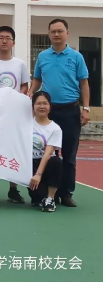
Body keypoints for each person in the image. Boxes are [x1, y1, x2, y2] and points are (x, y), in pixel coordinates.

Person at [28, 19, 90, 208]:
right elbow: (37, 80)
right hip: (49, 112)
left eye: (60, 31)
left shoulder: (76, 57)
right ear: (49, 34)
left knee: (69, 155)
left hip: (71, 111)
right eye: (53, 31)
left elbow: (84, 83)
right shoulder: (43, 56)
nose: (56, 34)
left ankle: (66, 193)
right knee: (47, 154)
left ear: (67, 34)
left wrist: (86, 108)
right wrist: (30, 94)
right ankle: (48, 192)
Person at [0, 26, 31, 204]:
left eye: (8, 38)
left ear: (14, 42)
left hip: (13, 114)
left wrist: (17, 96)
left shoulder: (20, 64)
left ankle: (13, 189)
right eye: (1, 38)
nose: (4, 41)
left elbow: (25, 86)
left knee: (13, 149)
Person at [29, 91, 64, 212]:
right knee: (37, 198)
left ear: (50, 106)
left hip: (46, 164)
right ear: (33, 106)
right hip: (30, 164)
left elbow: (48, 154)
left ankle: (50, 198)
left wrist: (38, 175)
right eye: (38, 103)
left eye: (45, 103)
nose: (42, 106)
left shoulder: (55, 129)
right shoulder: (25, 124)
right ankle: (39, 196)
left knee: (56, 161)